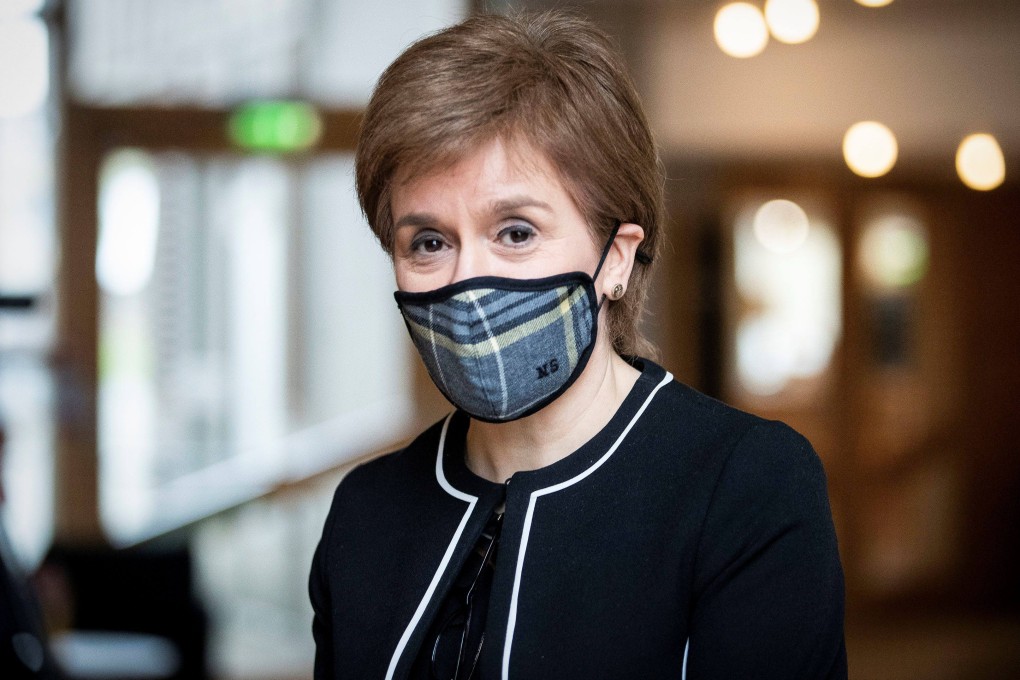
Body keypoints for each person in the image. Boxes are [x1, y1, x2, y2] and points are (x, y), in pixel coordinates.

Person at [309, 11, 846, 680]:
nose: (468, 280)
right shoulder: (367, 512)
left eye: (515, 232)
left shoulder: (745, 488)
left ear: (616, 259)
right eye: (428, 242)